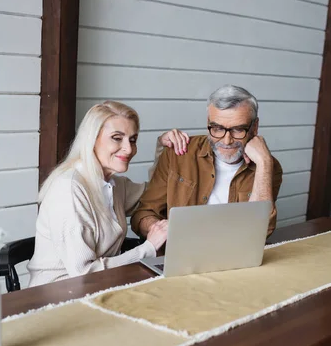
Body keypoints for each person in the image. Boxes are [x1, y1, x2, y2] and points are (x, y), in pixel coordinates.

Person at [27, 101, 190, 287]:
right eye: (116, 138)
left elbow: (156, 193)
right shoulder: (69, 190)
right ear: (92, 139)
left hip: (103, 286)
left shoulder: (115, 186)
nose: (129, 149)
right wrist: (148, 248)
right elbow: (83, 274)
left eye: (133, 140)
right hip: (56, 295)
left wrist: (163, 148)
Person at [131, 84, 283, 240]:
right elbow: (143, 214)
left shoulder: (268, 166)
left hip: (235, 257)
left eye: (238, 130)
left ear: (255, 127)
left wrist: (264, 163)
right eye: (217, 128)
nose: (227, 140)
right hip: (179, 255)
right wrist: (162, 231)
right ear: (208, 122)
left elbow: (260, 231)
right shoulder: (178, 153)